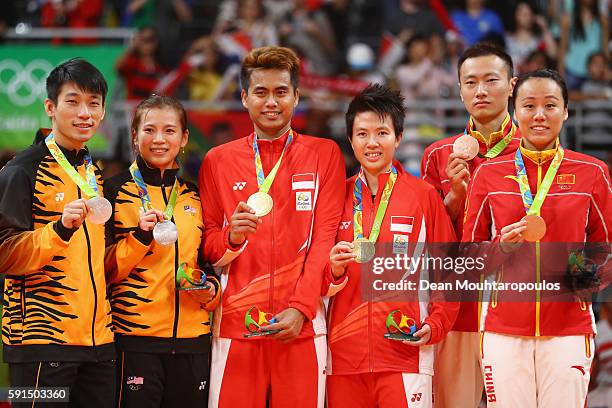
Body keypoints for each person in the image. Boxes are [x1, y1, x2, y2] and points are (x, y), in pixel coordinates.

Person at [199, 46, 345, 408]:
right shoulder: (217, 160)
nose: (271, 102)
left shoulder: (324, 154)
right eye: (261, 92)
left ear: (297, 96)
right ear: (244, 98)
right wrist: (231, 237)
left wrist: (301, 308)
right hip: (236, 327)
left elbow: (324, 240)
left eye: (281, 92)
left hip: (302, 326)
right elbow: (209, 248)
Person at [462, 69, 611, 407]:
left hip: (569, 328)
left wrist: (592, 275)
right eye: (529, 106)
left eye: (550, 105)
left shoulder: (592, 172)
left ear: (566, 111)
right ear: (515, 112)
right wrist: (500, 247)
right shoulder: (488, 174)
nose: (540, 115)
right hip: (502, 330)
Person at [324, 84, 458, 408]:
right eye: (362, 134)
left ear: (398, 138)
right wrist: (333, 270)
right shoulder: (333, 198)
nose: (372, 143)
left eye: (382, 132)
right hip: (342, 359)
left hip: (405, 354)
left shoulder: (423, 196)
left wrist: (436, 324)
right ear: (351, 139)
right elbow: (315, 272)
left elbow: (450, 273)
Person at [0, 58, 115, 407]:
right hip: (39, 341)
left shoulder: (92, 170)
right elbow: (6, 255)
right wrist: (59, 229)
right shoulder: (22, 170)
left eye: (94, 104)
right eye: (73, 101)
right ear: (50, 107)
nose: (85, 113)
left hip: (97, 341)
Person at [420, 43, 521, 408]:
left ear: (511, 85)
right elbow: (429, 240)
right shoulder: (438, 156)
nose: (480, 91)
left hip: (517, 308)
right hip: (457, 309)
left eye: (491, 80)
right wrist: (456, 197)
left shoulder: (535, 149)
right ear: (460, 89)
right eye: (470, 82)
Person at [104, 95, 220, 407]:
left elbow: (207, 262)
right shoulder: (111, 192)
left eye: (169, 131)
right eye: (149, 130)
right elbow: (103, 271)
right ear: (134, 135)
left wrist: (211, 291)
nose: (159, 139)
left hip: (193, 341)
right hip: (135, 340)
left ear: (184, 139)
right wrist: (140, 237)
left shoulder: (195, 195)